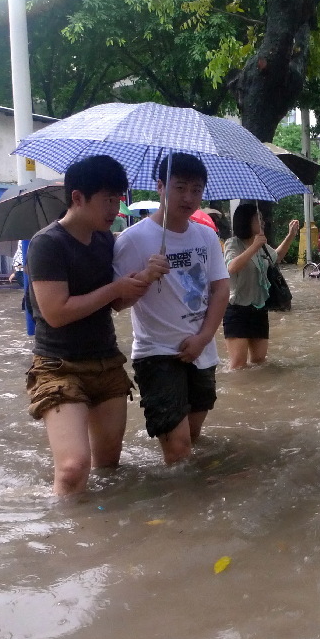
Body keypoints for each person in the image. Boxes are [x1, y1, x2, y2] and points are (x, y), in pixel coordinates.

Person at [25, 155, 167, 495]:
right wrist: (115, 289)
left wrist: (144, 278)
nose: (115, 208)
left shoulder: (107, 241)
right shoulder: (48, 243)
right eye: (108, 199)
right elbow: (56, 312)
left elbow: (117, 304)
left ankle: (102, 533)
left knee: (108, 467)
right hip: (58, 365)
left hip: (105, 362)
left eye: (118, 199)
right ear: (78, 198)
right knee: (73, 468)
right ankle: (63, 538)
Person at [113, 153, 230, 465]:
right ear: (161, 187)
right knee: (178, 451)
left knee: (192, 435)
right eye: (180, 188)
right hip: (156, 353)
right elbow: (117, 303)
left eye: (196, 189)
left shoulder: (206, 235)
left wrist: (204, 337)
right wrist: (145, 277)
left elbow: (221, 289)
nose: (189, 197)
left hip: (201, 348)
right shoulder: (133, 240)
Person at [223, 202, 299, 368]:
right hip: (237, 310)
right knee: (238, 366)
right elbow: (231, 267)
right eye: (258, 219)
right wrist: (254, 246)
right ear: (246, 222)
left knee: (259, 362)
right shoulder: (233, 243)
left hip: (259, 309)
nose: (262, 222)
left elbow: (276, 257)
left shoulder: (262, 245)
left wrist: (291, 235)